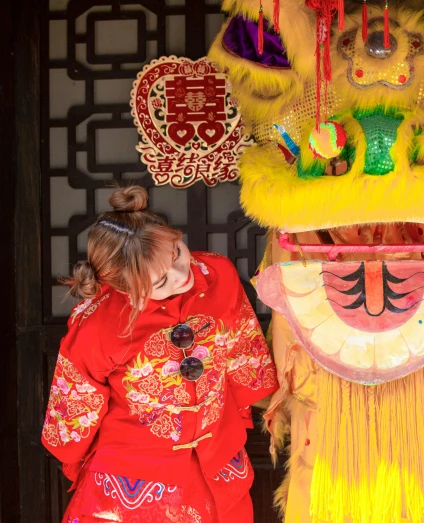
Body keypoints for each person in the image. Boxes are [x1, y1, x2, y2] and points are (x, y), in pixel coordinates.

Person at [41, 186, 279, 523]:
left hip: (218, 458)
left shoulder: (218, 273)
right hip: (132, 478)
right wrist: (72, 452)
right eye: (163, 279)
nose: (183, 275)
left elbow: (242, 346)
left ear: (175, 236)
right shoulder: (98, 321)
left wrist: (275, 404)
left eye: (178, 253)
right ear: (124, 287)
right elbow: (72, 415)